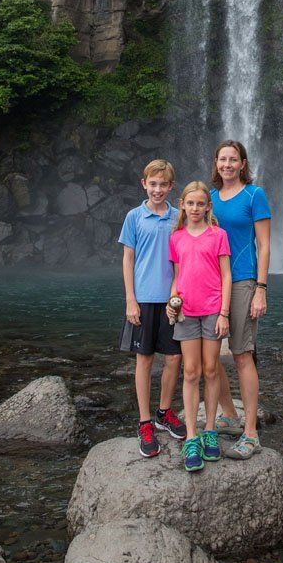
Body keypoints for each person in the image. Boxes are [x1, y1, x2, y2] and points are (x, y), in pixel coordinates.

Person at [118, 158, 186, 458]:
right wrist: (130, 299)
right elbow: (127, 259)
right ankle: (144, 422)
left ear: (171, 187)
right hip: (143, 299)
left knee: (173, 359)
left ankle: (164, 412)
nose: (157, 189)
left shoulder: (178, 217)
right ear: (144, 183)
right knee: (144, 360)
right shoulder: (134, 216)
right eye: (152, 184)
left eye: (163, 184)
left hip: (171, 299)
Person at [210, 140, 271, 460]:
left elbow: (264, 245)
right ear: (216, 163)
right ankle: (229, 416)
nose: (228, 164)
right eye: (223, 159)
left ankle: (251, 433)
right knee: (210, 355)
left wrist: (261, 288)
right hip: (211, 284)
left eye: (234, 159)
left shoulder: (254, 195)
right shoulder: (207, 199)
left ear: (243, 163)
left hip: (244, 280)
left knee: (242, 354)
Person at [167, 181, 231, 473]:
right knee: (190, 372)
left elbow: (226, 276)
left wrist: (224, 313)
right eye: (190, 203)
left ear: (208, 207)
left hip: (212, 311)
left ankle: (210, 431)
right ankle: (191, 435)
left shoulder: (218, 235)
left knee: (210, 369)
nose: (195, 208)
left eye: (200, 204)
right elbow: (177, 277)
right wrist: (172, 301)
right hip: (187, 312)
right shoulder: (177, 238)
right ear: (182, 204)